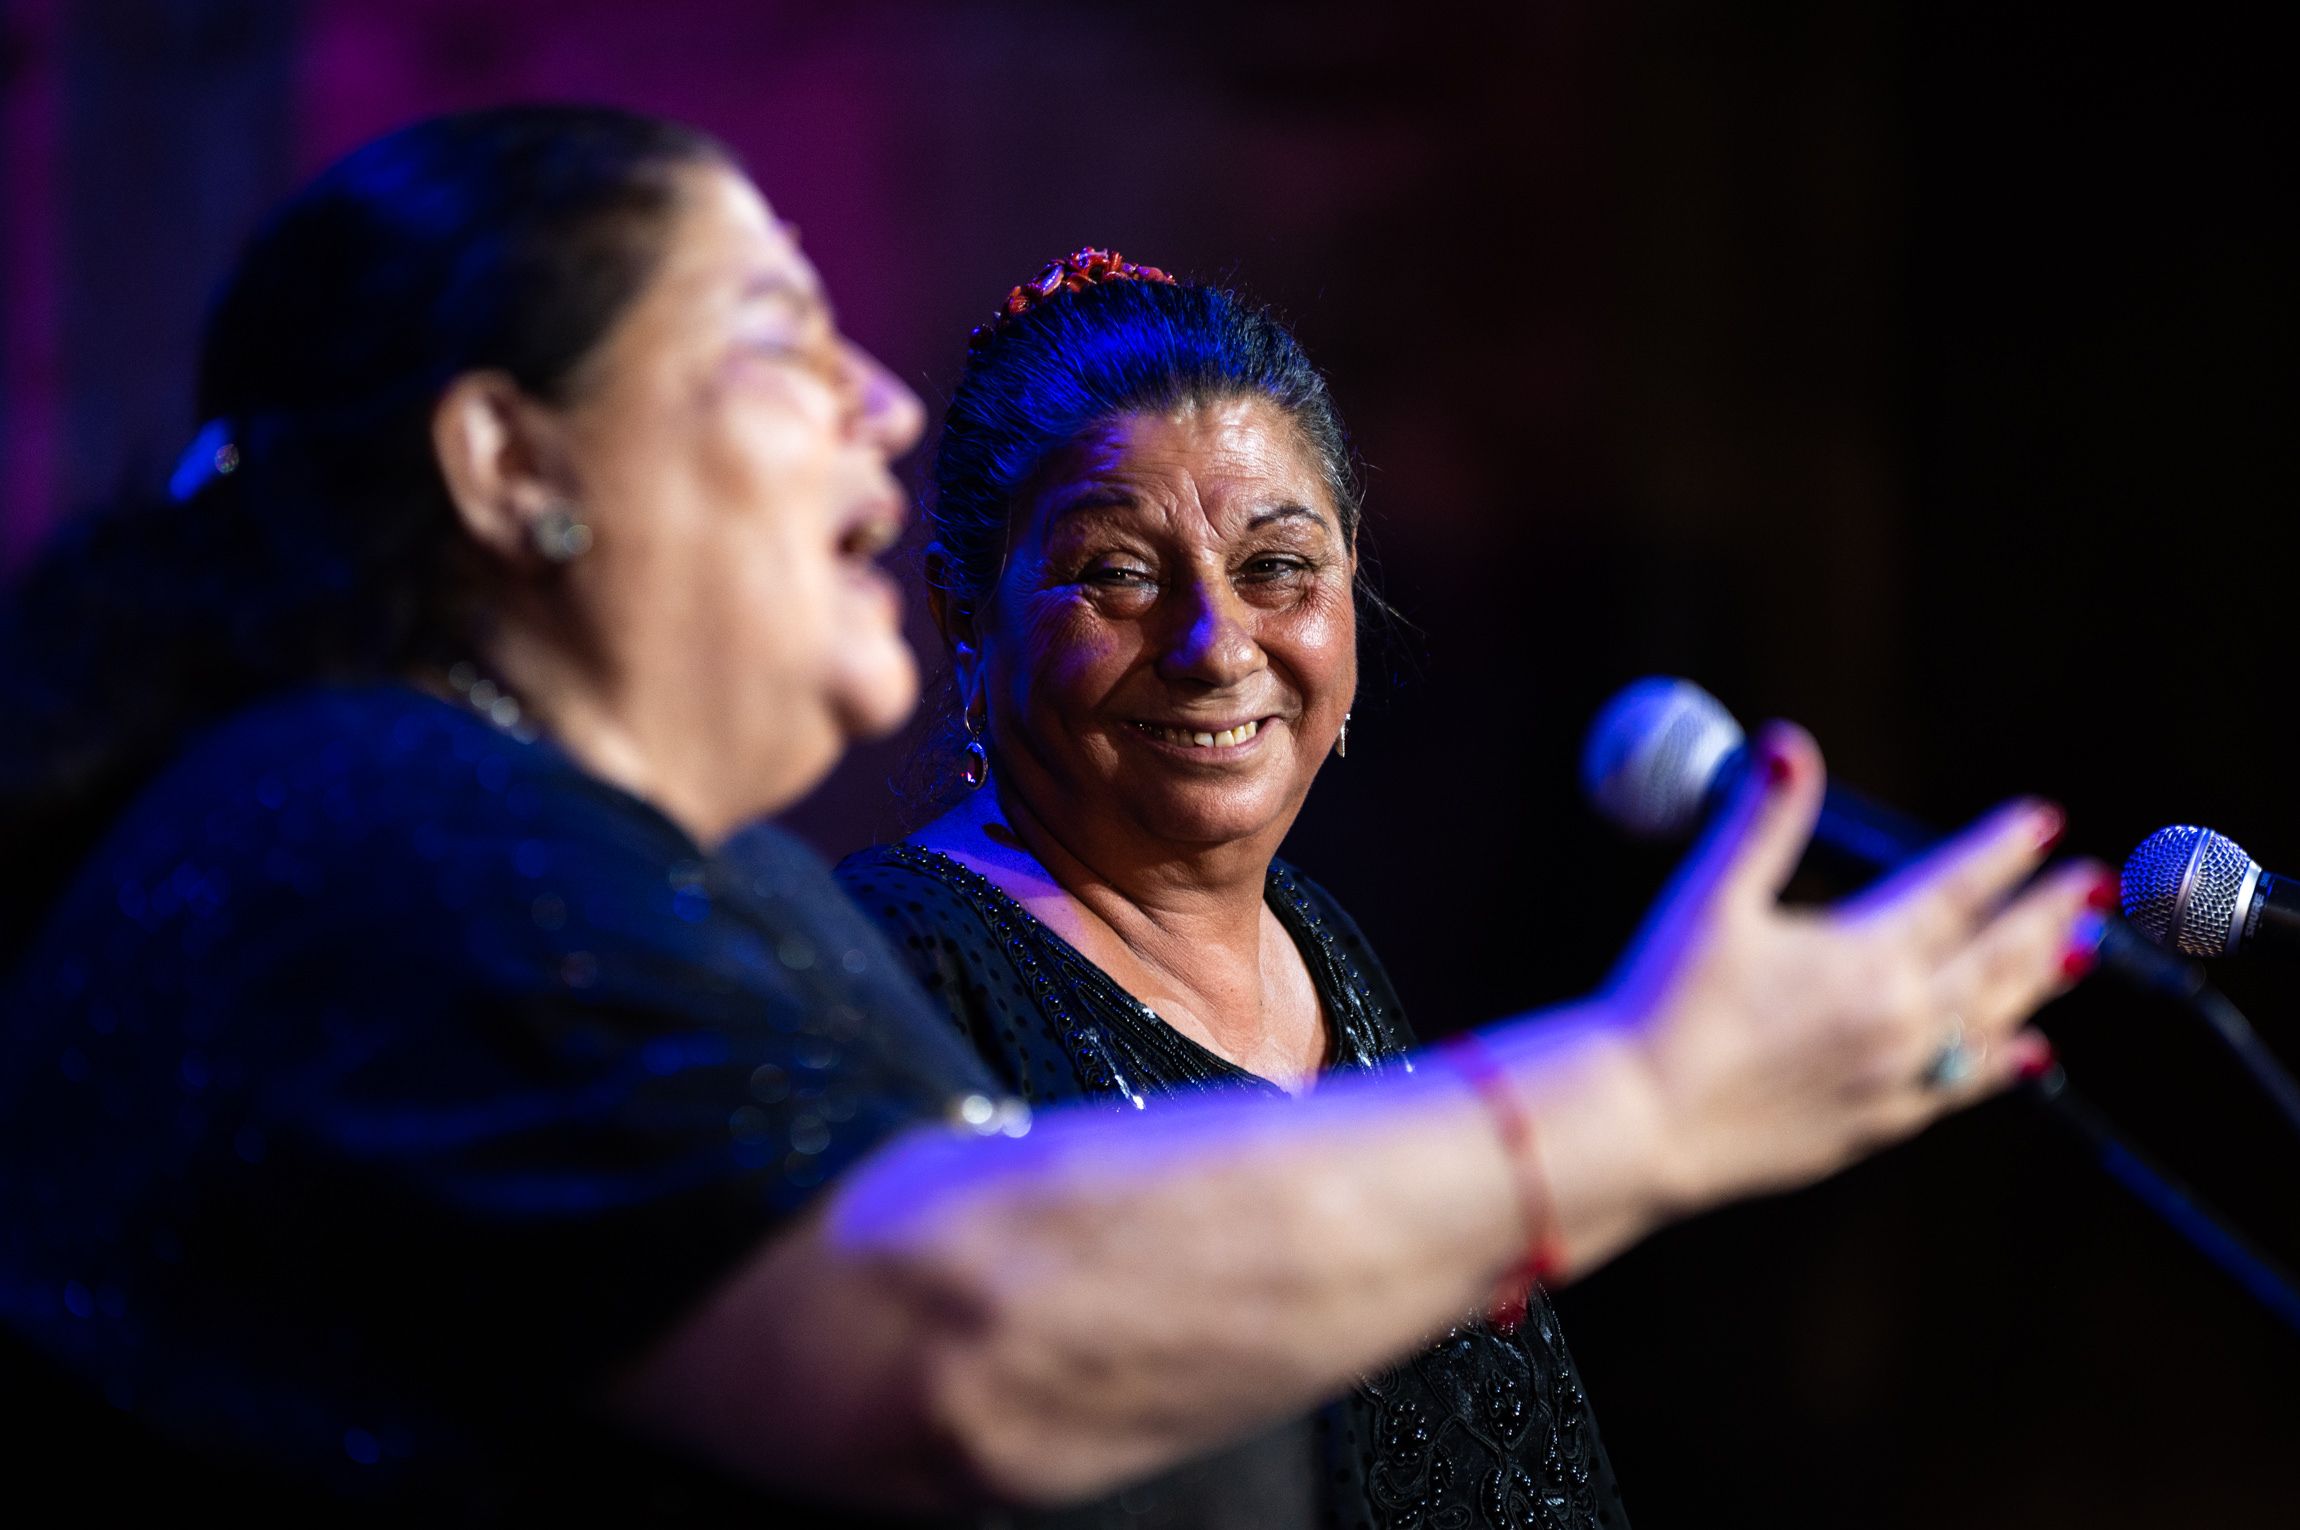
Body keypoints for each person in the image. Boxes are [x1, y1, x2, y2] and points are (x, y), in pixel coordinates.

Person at [0, 106, 2108, 1527]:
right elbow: (953, 1347)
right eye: (776, 342)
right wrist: (1643, 1105)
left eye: (1281, 567)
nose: (881, 405)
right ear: (509, 465)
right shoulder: (383, 830)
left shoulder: (580, 857)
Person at [834, 250, 2106, 1526]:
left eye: (1275, 568)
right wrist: (1651, 1100)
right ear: (965, 615)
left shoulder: (1319, 945)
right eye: (1117, 572)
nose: (1214, 645)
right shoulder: (896, 965)